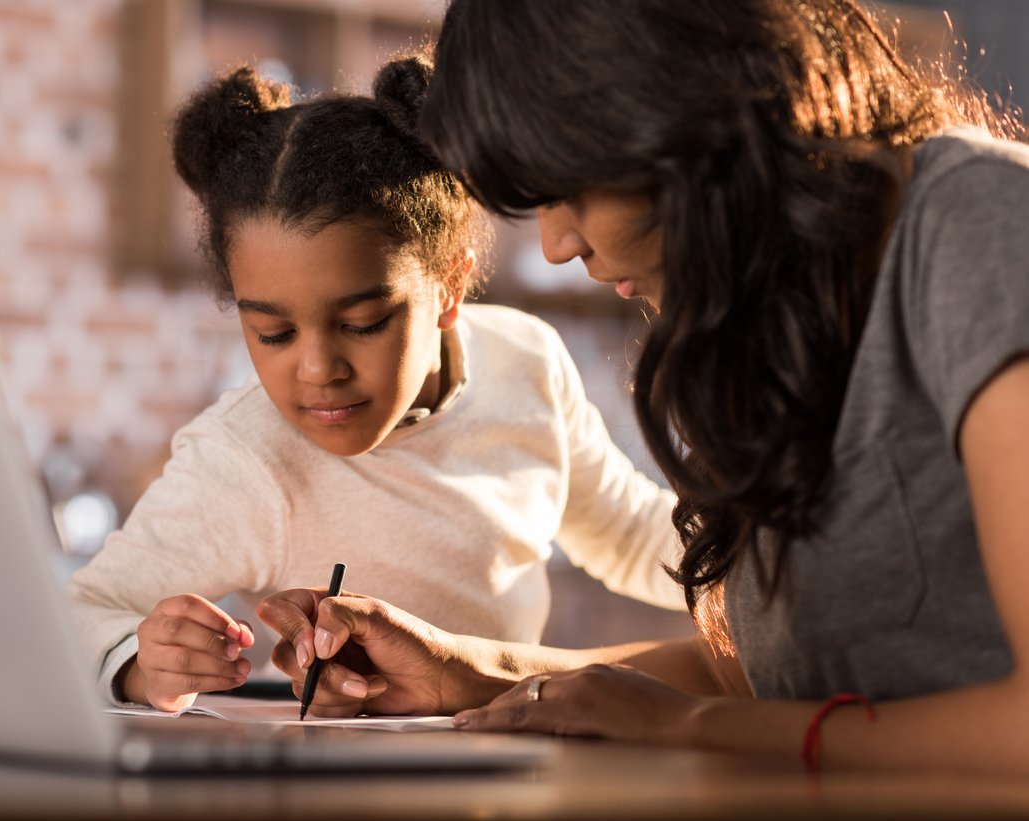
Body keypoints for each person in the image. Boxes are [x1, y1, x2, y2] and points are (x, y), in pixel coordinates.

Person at [257, 0, 1029, 774]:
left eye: (568, 189)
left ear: (675, 108)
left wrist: (693, 727)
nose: (559, 244)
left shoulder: (978, 222)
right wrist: (471, 673)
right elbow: (763, 677)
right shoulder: (777, 310)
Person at [65, 53, 687, 713]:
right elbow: (77, 612)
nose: (317, 370)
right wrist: (139, 660)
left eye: (363, 322)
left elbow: (631, 534)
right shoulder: (243, 460)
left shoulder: (524, 360)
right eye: (273, 335)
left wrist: (770, 566)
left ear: (449, 285)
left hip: (509, 771)